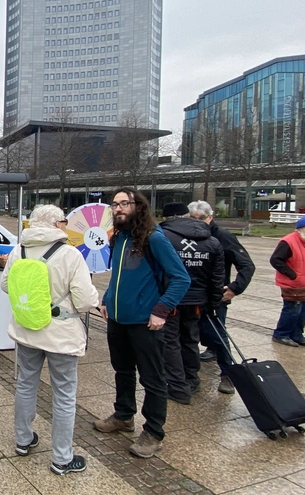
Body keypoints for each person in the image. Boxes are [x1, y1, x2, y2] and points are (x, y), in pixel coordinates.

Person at [0, 205, 99, 475]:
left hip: (27, 330)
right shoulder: (70, 255)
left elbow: (6, 286)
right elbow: (85, 300)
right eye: (64, 221)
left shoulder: (18, 250)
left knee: (25, 384)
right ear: (57, 224)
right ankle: (62, 458)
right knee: (64, 395)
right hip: (60, 336)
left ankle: (23, 440)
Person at [95, 188, 189, 459]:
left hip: (145, 322)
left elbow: (181, 278)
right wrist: (107, 299)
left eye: (125, 203)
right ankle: (124, 416)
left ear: (139, 206)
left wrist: (161, 310)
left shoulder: (154, 238)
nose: (118, 209)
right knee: (122, 371)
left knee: (153, 378)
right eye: (114, 204)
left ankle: (154, 431)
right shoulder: (119, 238)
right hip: (118, 319)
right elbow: (119, 276)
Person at [158, 202, 225, 405]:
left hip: (171, 299)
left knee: (170, 342)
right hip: (197, 300)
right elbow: (217, 277)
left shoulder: (163, 238)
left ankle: (177, 386)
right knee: (190, 340)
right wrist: (213, 303)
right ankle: (192, 380)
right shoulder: (212, 241)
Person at [189, 200, 255, 395]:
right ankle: (193, 372)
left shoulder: (223, 236)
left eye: (201, 219)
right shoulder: (188, 235)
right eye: (193, 219)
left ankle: (228, 374)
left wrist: (235, 288)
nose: (197, 222)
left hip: (215, 297)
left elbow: (247, 265)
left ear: (210, 217)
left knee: (218, 335)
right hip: (192, 295)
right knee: (191, 335)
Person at [270, 216, 305, 348]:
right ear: (299, 230)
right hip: (293, 284)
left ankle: (297, 335)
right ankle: (281, 334)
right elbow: (275, 260)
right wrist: (293, 275)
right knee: (292, 311)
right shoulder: (288, 242)